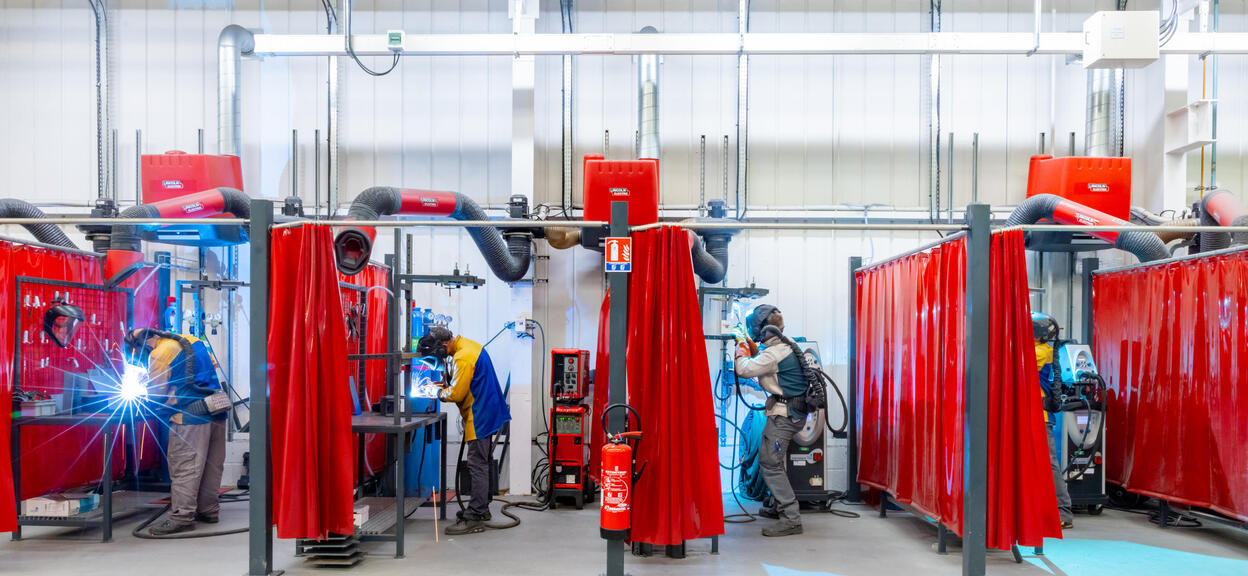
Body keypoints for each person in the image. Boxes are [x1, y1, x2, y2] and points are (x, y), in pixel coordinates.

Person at [124, 329, 227, 536]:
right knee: (210, 467)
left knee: (185, 467)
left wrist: (146, 393)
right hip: (217, 412)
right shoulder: (193, 340)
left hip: (190, 417)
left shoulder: (160, 352)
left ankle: (181, 517)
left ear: (141, 346)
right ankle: (209, 511)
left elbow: (157, 393)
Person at [416, 326, 511, 536]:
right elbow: (462, 381)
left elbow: (457, 393)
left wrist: (435, 391)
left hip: (481, 413)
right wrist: (442, 384)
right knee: (483, 462)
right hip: (487, 408)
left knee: (477, 463)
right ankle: (482, 508)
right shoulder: (465, 346)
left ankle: (475, 515)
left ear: (443, 346)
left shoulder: (463, 357)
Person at [732, 304, 810, 537]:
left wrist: (740, 346)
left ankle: (791, 518)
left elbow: (744, 369)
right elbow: (765, 358)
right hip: (789, 412)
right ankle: (778, 506)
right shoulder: (784, 345)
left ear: (762, 329)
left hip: (784, 416)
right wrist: (750, 344)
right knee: (775, 461)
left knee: (770, 463)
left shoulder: (774, 353)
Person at [1033, 313, 1074, 529]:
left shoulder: (1040, 352)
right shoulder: (1044, 350)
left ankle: (1063, 511)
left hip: (1040, 417)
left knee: (1049, 465)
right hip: (1034, 416)